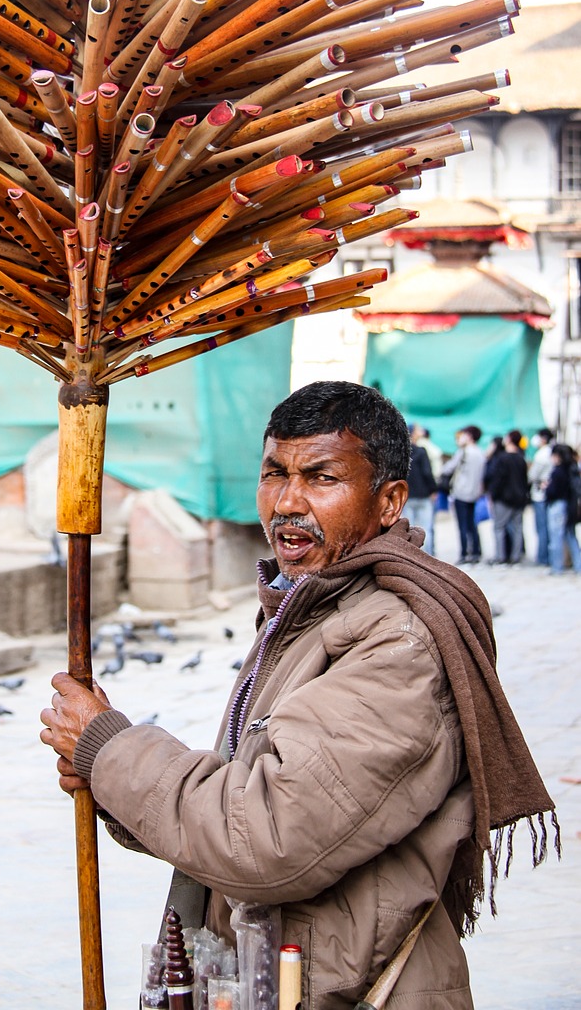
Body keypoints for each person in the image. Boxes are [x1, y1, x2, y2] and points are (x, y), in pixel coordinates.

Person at [40, 382, 556, 1010]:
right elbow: (243, 789)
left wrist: (110, 749)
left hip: (351, 989)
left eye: (321, 477)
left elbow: (264, 838)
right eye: (274, 473)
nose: (287, 501)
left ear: (389, 501)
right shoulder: (306, 609)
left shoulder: (399, 644)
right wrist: (113, 780)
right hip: (279, 976)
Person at [441, 426, 486, 565]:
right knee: (472, 523)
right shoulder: (480, 453)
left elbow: (447, 468)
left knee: (462, 525)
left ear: (469, 436)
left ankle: (465, 553)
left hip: (461, 492)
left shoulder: (463, 452)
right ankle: (477, 552)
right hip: (474, 493)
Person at [484, 431, 529, 565]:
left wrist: (493, 494)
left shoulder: (502, 458)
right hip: (519, 498)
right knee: (517, 528)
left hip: (503, 498)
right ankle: (516, 556)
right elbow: (525, 480)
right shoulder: (521, 458)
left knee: (499, 527)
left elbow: (498, 479)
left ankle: (500, 557)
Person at [544, 443, 581, 575]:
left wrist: (546, 487)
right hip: (570, 506)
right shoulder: (572, 468)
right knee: (571, 536)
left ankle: (557, 567)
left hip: (558, 506)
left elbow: (553, 491)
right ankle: (578, 565)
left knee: (556, 538)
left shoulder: (558, 471)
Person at [403, 424, 437, 553]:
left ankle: (412, 556)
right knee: (425, 528)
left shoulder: (402, 452)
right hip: (423, 495)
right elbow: (427, 473)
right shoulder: (421, 451)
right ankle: (427, 556)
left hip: (407, 495)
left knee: (409, 529)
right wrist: (433, 489)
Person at [528, 428, 554, 567]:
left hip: (540, 494)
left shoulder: (541, 454)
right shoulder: (551, 451)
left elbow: (532, 475)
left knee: (542, 527)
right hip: (549, 494)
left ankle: (543, 557)